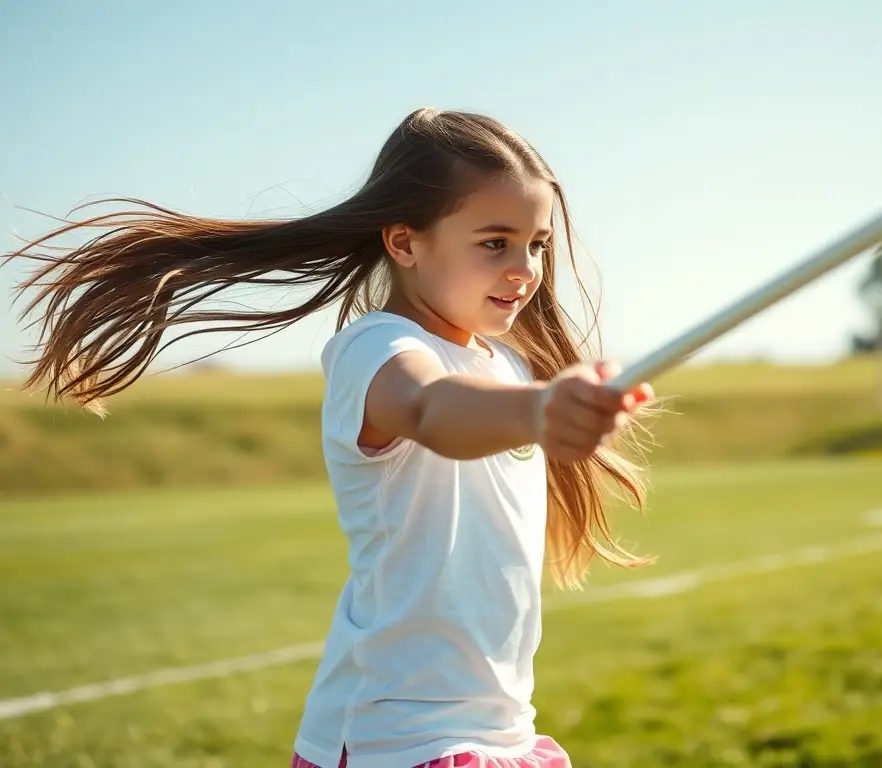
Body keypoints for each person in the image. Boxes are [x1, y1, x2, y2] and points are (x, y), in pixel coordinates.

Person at [8, 107, 657, 768]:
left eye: (537, 243)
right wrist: (541, 410)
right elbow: (432, 409)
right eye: (495, 242)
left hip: (503, 731)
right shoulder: (375, 350)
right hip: (396, 740)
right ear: (404, 243)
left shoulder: (508, 367)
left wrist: (544, 403)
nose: (525, 268)